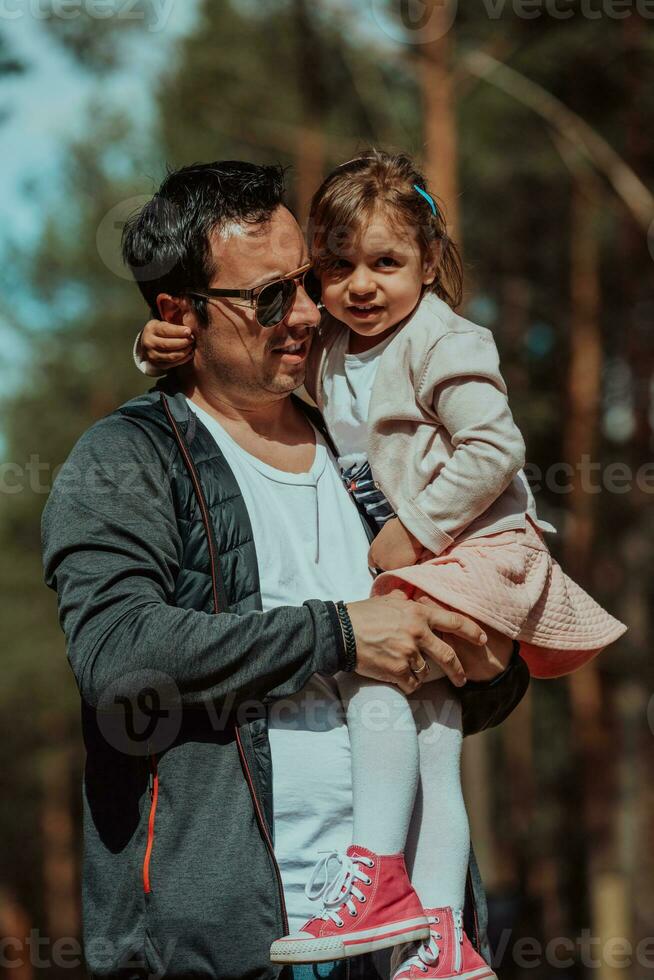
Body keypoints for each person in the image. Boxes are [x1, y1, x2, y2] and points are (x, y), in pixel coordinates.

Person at [136, 152, 626, 979]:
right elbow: (238, 347)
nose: (357, 287)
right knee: (434, 734)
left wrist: (414, 530)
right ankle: (441, 939)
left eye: (387, 263)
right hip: (438, 556)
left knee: (374, 663)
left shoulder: (442, 339)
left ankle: (381, 875)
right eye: (337, 267)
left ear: (429, 262)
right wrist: (158, 348)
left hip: (476, 546)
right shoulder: (334, 342)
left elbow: (495, 445)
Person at [42, 160, 529, 980]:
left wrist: (492, 664)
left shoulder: (365, 439)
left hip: (408, 953)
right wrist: (340, 634)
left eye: (309, 281)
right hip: (236, 950)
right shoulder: (124, 461)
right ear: (177, 313)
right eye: (270, 298)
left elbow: (454, 659)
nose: (308, 312)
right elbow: (119, 658)